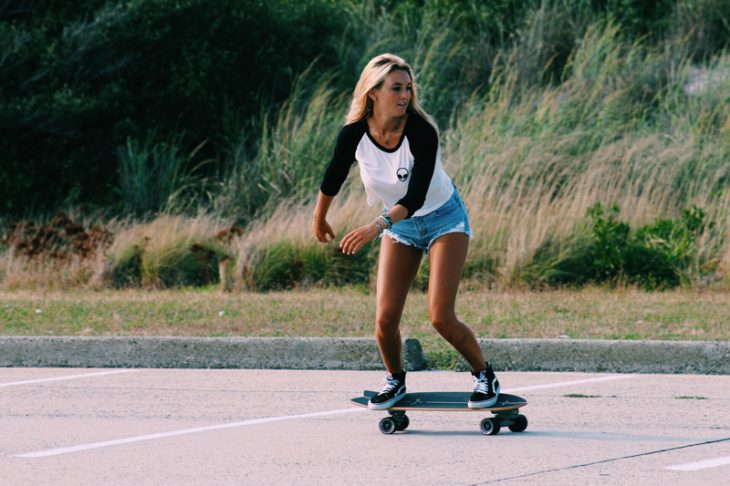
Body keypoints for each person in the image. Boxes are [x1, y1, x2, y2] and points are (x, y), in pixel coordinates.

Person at [312, 53, 500, 410]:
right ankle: (394, 380)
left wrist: (376, 225)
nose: (405, 95)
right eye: (396, 88)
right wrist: (319, 218)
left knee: (440, 316)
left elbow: (415, 195)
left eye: (408, 88)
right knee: (384, 319)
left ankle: (484, 374)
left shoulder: (420, 131)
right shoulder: (354, 134)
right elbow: (333, 175)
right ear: (373, 93)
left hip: (444, 219)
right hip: (403, 228)